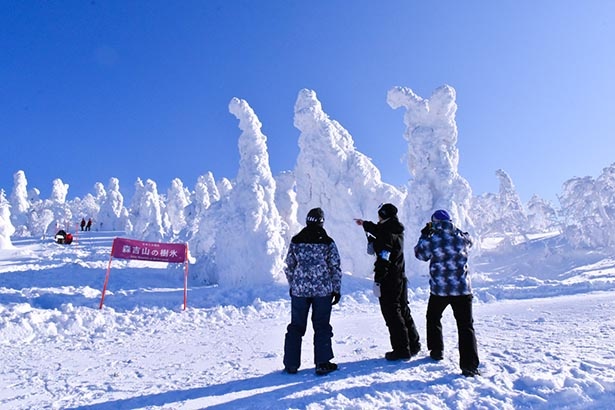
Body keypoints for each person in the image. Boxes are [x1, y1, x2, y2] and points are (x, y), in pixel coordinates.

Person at [414, 209, 480, 377]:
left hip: (440, 290)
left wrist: (424, 236)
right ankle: (469, 366)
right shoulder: (461, 238)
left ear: (434, 223)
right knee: (466, 327)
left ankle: (437, 351)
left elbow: (420, 254)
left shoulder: (433, 240)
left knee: (433, 318)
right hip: (462, 290)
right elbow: (470, 241)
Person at [354, 203, 421, 361]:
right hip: (400, 276)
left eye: (379, 214)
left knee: (392, 314)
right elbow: (380, 231)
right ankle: (413, 344)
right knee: (403, 310)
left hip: (389, 279)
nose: (378, 217)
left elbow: (384, 256)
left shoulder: (386, 234)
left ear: (383, 215)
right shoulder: (394, 228)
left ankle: (401, 349)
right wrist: (365, 224)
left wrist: (378, 279)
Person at [283, 207, 342, 376]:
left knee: (296, 326)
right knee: (322, 325)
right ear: (322, 221)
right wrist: (336, 289)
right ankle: (322, 363)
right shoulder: (328, 241)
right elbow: (335, 267)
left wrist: (293, 285)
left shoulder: (296, 240)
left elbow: (289, 265)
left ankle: (291, 364)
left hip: (299, 291)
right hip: (322, 291)